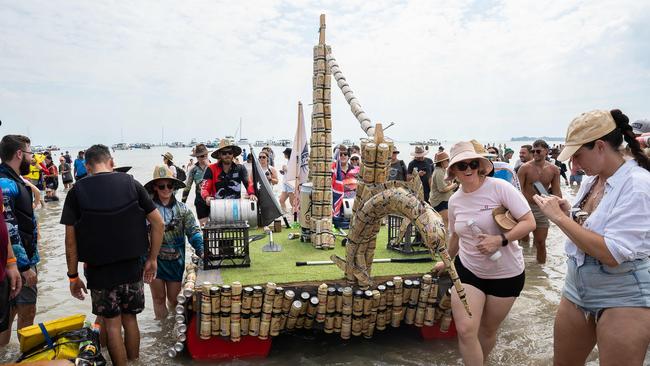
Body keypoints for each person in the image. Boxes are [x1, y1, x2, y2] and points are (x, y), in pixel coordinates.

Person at [533, 109, 650, 365]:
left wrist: (560, 219)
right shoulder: (591, 181)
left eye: (577, 156)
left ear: (599, 146)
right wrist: (568, 213)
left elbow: (612, 254)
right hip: (577, 284)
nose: (573, 165)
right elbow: (589, 231)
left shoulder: (638, 184)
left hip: (623, 293)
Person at [60, 144, 164, 366]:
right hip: (132, 267)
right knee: (131, 320)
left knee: (112, 325)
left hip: (99, 273)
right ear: (112, 162)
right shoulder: (132, 184)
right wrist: (152, 259)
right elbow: (159, 223)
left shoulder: (76, 192)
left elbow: (70, 240)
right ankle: (135, 362)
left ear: (87, 167)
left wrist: (72, 276)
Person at [433, 141, 535, 366]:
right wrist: (446, 262)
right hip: (469, 271)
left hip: (506, 273)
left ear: (480, 165)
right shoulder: (455, 201)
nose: (468, 169)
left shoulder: (500, 188)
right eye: (461, 165)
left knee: (487, 331)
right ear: (453, 171)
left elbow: (529, 222)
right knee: (466, 330)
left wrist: (499, 240)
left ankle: (483, 360)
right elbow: (456, 238)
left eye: (472, 163)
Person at [145, 166, 203, 320]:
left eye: (169, 185)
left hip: (176, 261)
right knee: (158, 299)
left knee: (174, 299)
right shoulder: (145, 211)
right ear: (155, 188)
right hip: (153, 259)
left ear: (174, 187)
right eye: (161, 186)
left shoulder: (183, 210)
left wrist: (201, 248)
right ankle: (162, 331)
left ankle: (173, 328)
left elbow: (194, 231)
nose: (166, 189)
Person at [0, 135, 39, 346]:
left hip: (13, 261)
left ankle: (6, 357)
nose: (32, 159)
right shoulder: (5, 183)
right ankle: (26, 358)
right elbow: (8, 227)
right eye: (30, 154)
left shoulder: (12, 180)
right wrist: (23, 265)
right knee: (26, 311)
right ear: (19, 154)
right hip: (16, 263)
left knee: (10, 312)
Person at [517, 139, 561, 264]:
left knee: (541, 242)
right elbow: (517, 191)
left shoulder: (554, 170)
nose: (535, 153)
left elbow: (557, 192)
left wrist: (559, 211)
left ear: (546, 151)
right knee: (522, 240)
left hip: (542, 208)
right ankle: (524, 268)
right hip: (526, 208)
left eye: (538, 151)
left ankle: (541, 272)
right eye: (533, 151)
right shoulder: (524, 168)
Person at [201, 140, 256, 204]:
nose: (227, 155)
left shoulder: (240, 168)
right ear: (219, 155)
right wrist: (206, 197)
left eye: (230, 152)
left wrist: (252, 194)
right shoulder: (211, 169)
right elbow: (205, 187)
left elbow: (249, 183)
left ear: (233, 154)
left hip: (235, 207)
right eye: (224, 153)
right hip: (217, 207)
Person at [182, 144, 211, 226]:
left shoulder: (213, 167)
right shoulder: (193, 169)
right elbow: (187, 187)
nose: (204, 158)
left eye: (206, 155)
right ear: (197, 157)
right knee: (204, 226)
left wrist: (209, 165)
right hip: (200, 201)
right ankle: (205, 238)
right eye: (202, 156)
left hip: (213, 200)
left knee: (216, 226)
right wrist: (183, 204)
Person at [429, 151, 457, 228]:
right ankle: (445, 239)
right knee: (445, 223)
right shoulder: (439, 172)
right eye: (447, 160)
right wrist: (453, 185)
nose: (449, 162)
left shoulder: (441, 170)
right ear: (442, 162)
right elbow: (442, 189)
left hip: (443, 200)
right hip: (440, 202)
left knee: (446, 223)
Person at [278, 148, 295, 215]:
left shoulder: (293, 161)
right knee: (281, 200)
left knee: (292, 203)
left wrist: (286, 169)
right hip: (285, 183)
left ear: (288, 154)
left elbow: (294, 172)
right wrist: (283, 172)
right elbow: (288, 172)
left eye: (285, 153)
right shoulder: (288, 161)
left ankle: (294, 217)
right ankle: (286, 215)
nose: (284, 155)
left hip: (290, 184)